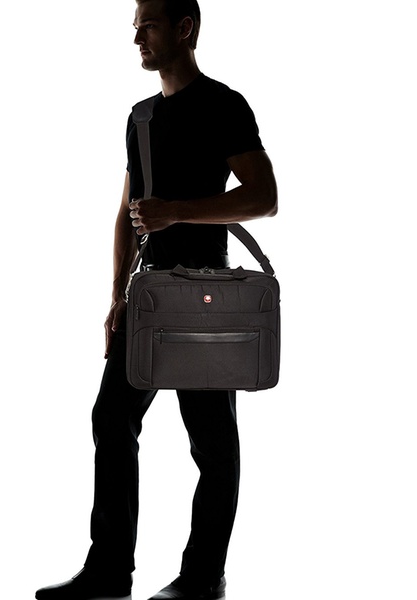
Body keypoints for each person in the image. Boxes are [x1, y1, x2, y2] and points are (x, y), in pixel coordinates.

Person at [35, 0, 277, 598]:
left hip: (205, 296)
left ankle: (203, 577)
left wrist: (177, 213)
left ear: (184, 28)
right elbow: (127, 211)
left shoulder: (224, 105)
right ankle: (110, 569)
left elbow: (264, 197)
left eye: (147, 24)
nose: (136, 37)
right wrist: (117, 296)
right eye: (135, 26)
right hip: (147, 297)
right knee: (111, 418)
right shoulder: (140, 117)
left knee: (211, 440)